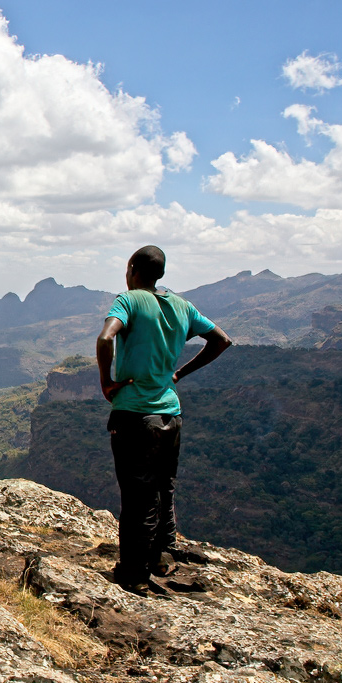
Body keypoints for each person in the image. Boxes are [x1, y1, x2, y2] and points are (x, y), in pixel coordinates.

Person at [96, 245, 232, 594]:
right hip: (170, 415)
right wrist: (179, 374)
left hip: (135, 415)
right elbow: (221, 341)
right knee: (162, 489)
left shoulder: (128, 301)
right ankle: (159, 558)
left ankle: (134, 574)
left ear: (132, 268)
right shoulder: (182, 305)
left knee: (137, 496)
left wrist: (106, 382)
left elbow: (105, 337)